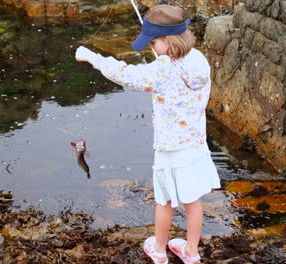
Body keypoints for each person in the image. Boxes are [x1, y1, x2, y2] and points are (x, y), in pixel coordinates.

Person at [75, 5, 220, 264]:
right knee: (193, 200)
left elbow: (125, 75)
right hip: (195, 145)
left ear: (169, 41)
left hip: (169, 149)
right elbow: (174, 69)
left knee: (163, 201)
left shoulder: (161, 71)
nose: (151, 47)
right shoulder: (198, 59)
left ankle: (159, 250)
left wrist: (91, 57)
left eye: (153, 42)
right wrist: (163, 56)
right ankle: (191, 252)